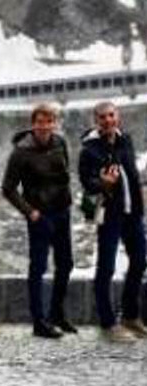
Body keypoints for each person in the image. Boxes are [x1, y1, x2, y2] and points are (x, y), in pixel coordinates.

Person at [2, 102, 74, 339]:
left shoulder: (60, 142)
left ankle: (57, 314)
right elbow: (8, 188)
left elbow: (65, 174)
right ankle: (39, 322)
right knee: (38, 267)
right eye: (40, 122)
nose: (45, 126)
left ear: (55, 123)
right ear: (33, 124)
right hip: (40, 215)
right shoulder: (21, 152)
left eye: (49, 122)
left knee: (66, 264)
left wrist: (67, 201)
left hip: (62, 211)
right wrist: (30, 212)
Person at [78, 101, 145, 343]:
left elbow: (131, 174)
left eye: (111, 115)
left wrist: (140, 201)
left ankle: (130, 316)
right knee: (106, 268)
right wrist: (102, 183)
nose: (108, 120)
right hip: (109, 215)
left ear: (118, 116)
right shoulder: (89, 149)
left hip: (132, 212)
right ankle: (108, 323)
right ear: (96, 121)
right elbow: (87, 183)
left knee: (140, 261)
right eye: (102, 117)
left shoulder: (125, 139)